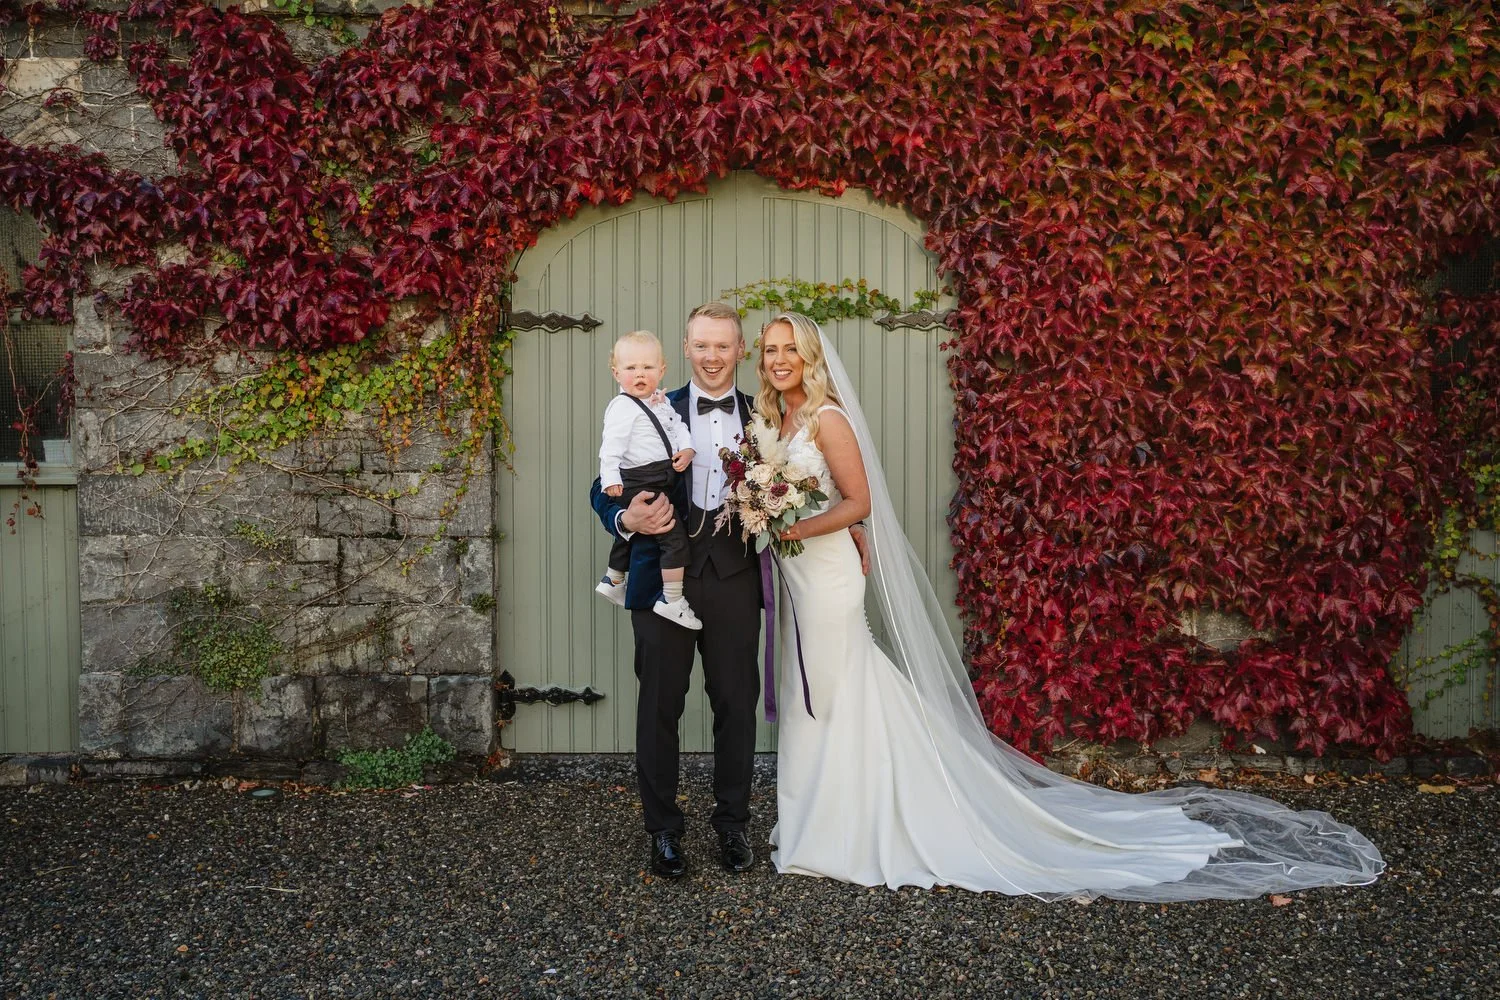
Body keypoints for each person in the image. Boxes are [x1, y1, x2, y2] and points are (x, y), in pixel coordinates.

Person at [755, 311, 1385, 900]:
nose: (779, 359)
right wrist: (768, 514)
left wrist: (790, 529)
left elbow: (857, 503)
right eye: (770, 350)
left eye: (790, 349)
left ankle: (854, 828)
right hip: (796, 578)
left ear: (809, 356)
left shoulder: (826, 419)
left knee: (833, 691)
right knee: (809, 689)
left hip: (829, 575)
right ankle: (816, 823)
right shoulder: (772, 420)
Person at [589, 302, 871, 878]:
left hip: (735, 579)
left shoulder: (763, 414)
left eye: (724, 346)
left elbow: (809, 476)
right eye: (701, 345)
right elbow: (604, 482)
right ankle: (663, 833)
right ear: (685, 349)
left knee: (736, 708)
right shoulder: (648, 407)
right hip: (661, 580)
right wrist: (624, 521)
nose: (713, 357)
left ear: (739, 353)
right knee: (659, 706)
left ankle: (733, 827)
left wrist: (856, 523)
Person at [595, 330, 701, 630]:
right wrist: (611, 480)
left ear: (662, 369)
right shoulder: (621, 407)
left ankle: (613, 578)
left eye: (647, 367)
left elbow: (676, 425)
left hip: (660, 476)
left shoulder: (662, 401)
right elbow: (610, 447)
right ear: (616, 373)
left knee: (639, 533)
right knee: (672, 536)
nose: (640, 374)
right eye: (631, 368)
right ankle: (671, 599)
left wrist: (688, 448)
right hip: (640, 479)